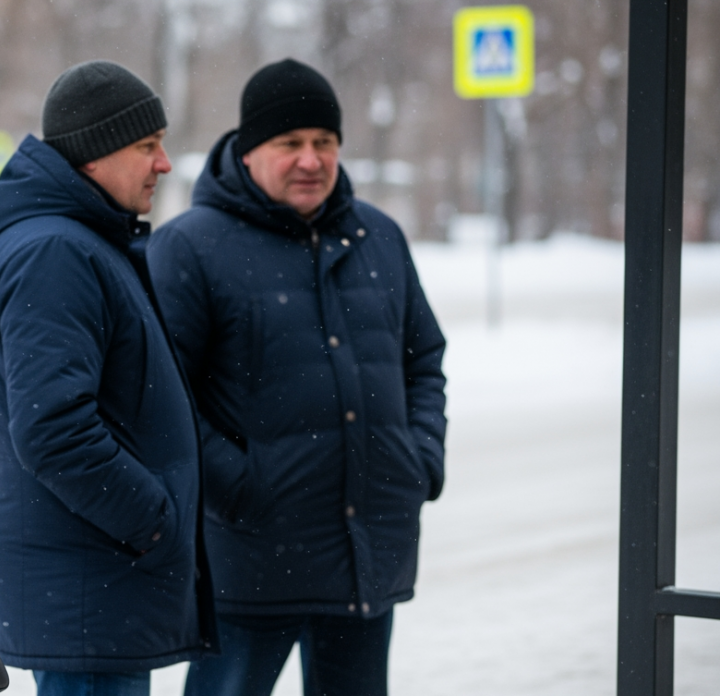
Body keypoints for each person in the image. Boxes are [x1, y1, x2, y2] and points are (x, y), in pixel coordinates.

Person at [148, 58, 448, 696]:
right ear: (251, 151)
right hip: (252, 560)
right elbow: (165, 398)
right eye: (290, 144)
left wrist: (420, 459)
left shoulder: (379, 236)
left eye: (324, 143)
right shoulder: (191, 246)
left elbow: (423, 359)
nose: (311, 159)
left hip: (366, 553)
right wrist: (238, 488)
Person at [0, 60, 216, 696]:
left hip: (98, 583)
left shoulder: (79, 240)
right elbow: (54, 430)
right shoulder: (56, 252)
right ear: (94, 156)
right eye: (146, 146)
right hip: (90, 581)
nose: (163, 164)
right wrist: (154, 520)